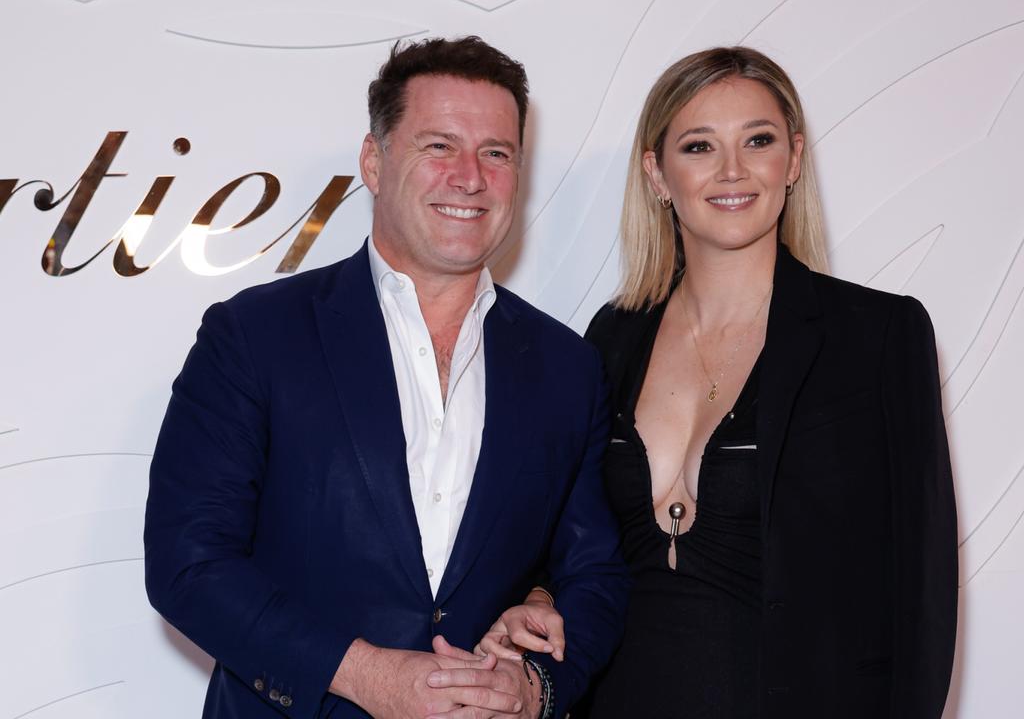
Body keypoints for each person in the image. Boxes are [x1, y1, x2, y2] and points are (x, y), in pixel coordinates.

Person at [144, 35, 629, 719]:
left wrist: (535, 685)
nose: (470, 177)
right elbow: (188, 564)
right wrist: (363, 674)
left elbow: (593, 572)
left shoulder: (565, 365)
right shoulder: (256, 336)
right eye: (439, 146)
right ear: (374, 161)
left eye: (497, 153)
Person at [481, 47, 957, 718]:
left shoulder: (878, 335)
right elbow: (569, 537)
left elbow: (922, 591)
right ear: (656, 172)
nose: (732, 171)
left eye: (757, 141)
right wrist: (536, 601)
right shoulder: (611, 337)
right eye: (700, 146)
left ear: (792, 160)